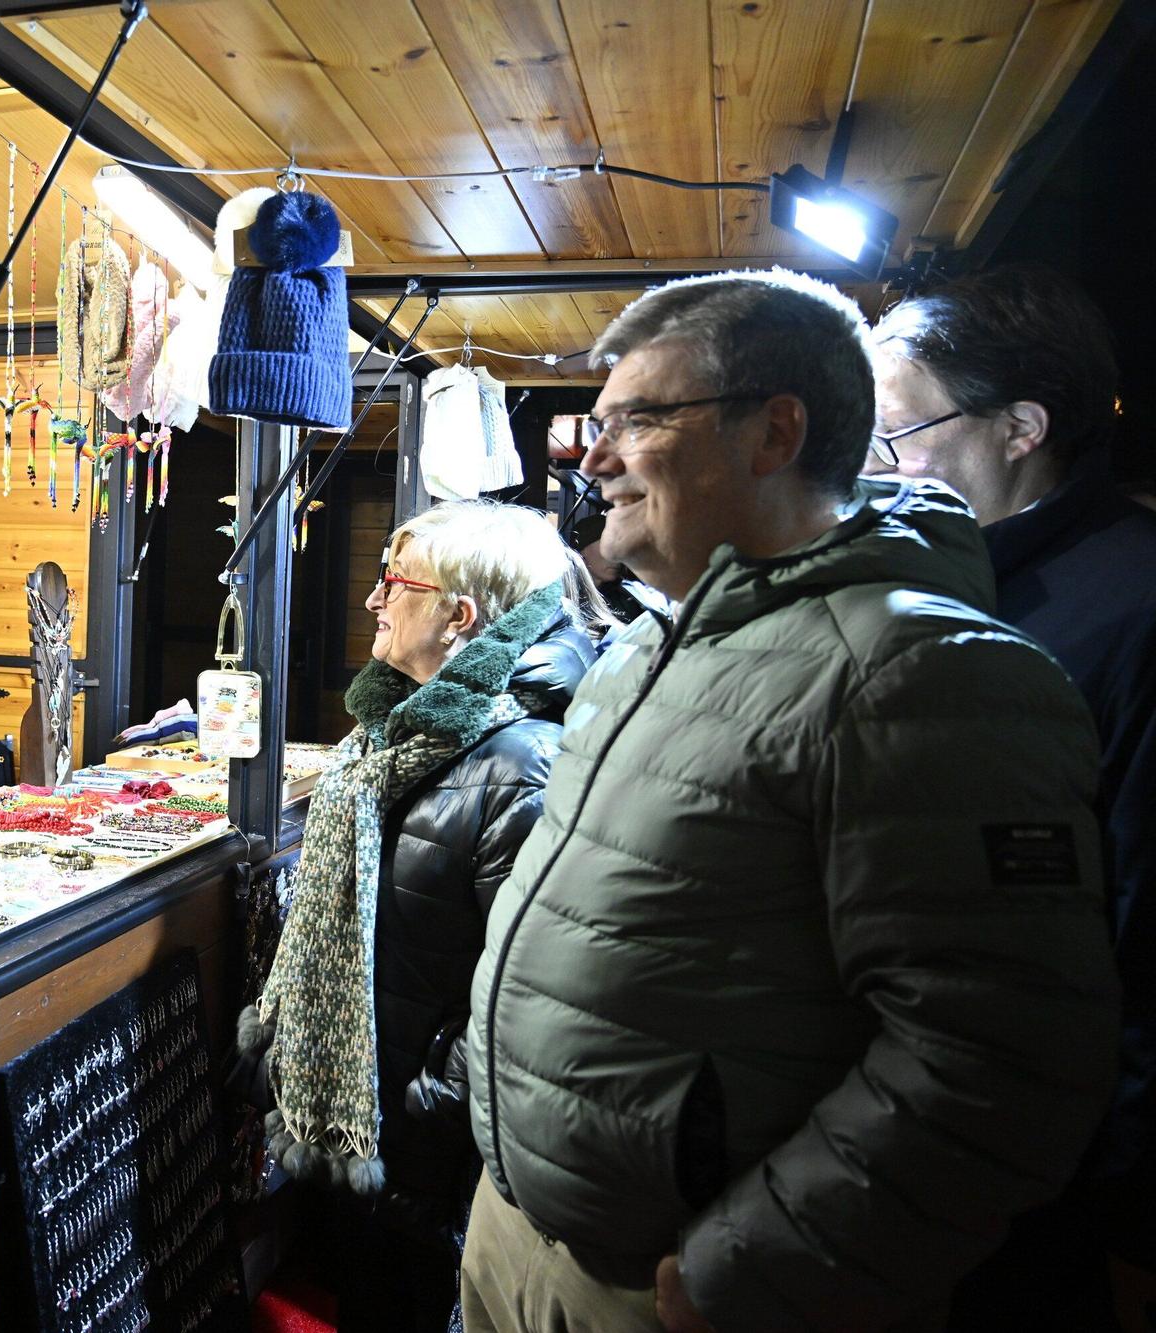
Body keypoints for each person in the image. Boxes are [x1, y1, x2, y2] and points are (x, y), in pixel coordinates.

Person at [459, 269, 1120, 1333]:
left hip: (675, 1292)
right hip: (515, 1239)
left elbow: (1001, 1054)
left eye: (638, 418)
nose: (591, 454)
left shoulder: (916, 668)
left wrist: (748, 1266)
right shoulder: (642, 651)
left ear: (773, 435)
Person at [873, 266, 1156, 1327]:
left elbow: (1143, 926)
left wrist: (1128, 1218)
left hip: (1050, 1178)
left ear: (1019, 427)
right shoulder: (935, 578)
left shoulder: (1125, 604)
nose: (874, 461)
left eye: (896, 430)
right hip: (924, 1141)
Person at [234, 501, 595, 1331]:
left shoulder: (520, 765)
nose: (373, 600)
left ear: (459, 616)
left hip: (434, 1158)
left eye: (394, 582)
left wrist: (433, 1102)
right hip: (381, 1140)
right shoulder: (389, 740)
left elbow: (528, 990)